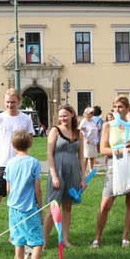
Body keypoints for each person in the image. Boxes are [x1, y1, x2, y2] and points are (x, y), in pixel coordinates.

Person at [91, 96, 130, 249]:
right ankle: (97, 237)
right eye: (115, 107)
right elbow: (102, 149)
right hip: (115, 164)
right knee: (105, 204)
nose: (118, 110)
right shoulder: (108, 125)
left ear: (127, 109)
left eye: (121, 107)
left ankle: (125, 235)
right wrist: (120, 150)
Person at [0, 88, 34, 237]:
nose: (10, 105)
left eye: (13, 102)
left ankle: (22, 233)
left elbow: (29, 140)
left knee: (20, 202)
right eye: (7, 102)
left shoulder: (25, 119)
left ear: (19, 101)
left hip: (20, 164)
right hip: (3, 164)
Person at [44, 104, 86, 248]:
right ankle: (43, 241)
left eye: (65, 116)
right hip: (58, 169)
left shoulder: (78, 133)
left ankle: (65, 239)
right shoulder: (55, 131)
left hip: (73, 171)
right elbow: (49, 153)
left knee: (67, 206)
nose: (63, 118)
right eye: (61, 116)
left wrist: (83, 177)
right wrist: (54, 175)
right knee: (52, 208)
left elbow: (81, 157)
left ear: (72, 115)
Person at [5, 130, 43, 259]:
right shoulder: (34, 162)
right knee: (37, 243)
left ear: (13, 146)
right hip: (29, 209)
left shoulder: (9, 163)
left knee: (18, 242)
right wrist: (40, 208)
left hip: (13, 209)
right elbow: (38, 189)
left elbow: (8, 188)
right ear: (30, 143)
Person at [79, 106, 99, 172]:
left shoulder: (92, 120)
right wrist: (85, 138)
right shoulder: (84, 121)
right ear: (87, 113)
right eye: (91, 113)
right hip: (87, 141)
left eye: (93, 113)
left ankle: (91, 170)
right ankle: (83, 171)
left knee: (92, 156)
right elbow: (80, 130)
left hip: (93, 141)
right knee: (86, 157)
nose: (93, 114)